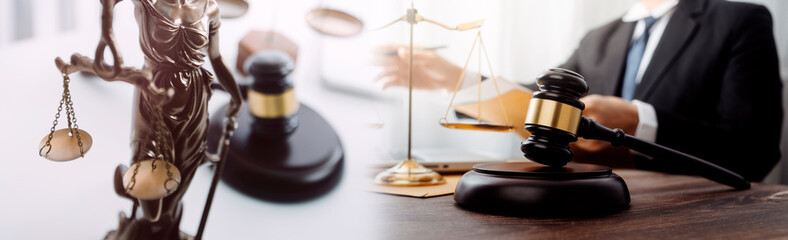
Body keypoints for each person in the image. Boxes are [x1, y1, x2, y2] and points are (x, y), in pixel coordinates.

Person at [375, 0, 783, 181]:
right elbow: (539, 104)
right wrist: (457, 81)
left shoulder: (739, 20)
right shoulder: (597, 39)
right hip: (589, 203)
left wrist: (643, 121)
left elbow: (754, 152)